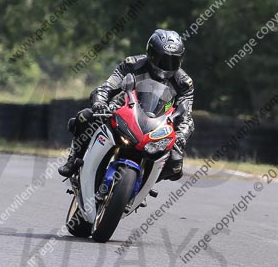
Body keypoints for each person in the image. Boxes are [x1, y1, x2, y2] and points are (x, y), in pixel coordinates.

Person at [58, 29, 194, 181]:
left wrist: (181, 135)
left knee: (175, 165)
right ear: (150, 53)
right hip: (123, 111)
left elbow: (187, 115)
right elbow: (107, 87)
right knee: (85, 117)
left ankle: (145, 184)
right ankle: (74, 158)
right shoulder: (132, 64)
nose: (166, 65)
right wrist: (100, 102)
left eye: (172, 61)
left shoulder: (184, 83)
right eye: (161, 59)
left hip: (157, 126)